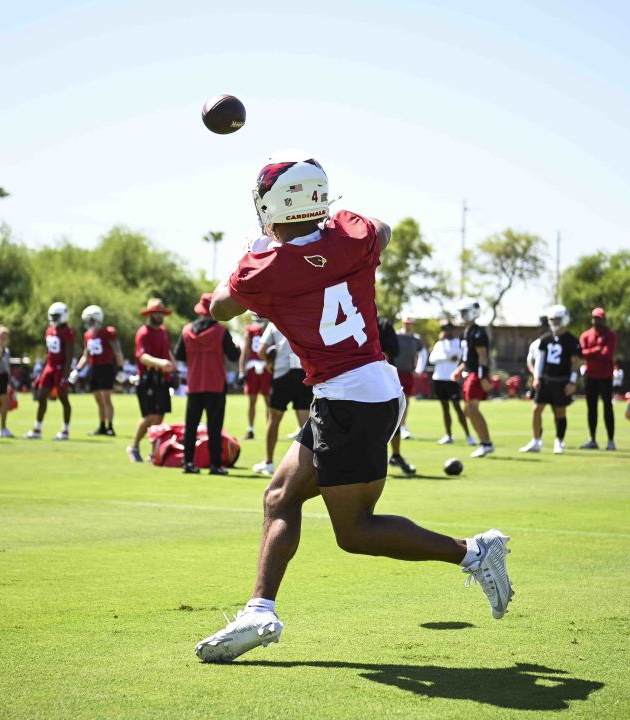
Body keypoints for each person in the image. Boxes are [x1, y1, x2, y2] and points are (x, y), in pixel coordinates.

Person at [195, 152, 512, 662]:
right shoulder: (351, 233)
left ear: (271, 207)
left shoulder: (263, 269)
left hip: (350, 400)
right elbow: (380, 229)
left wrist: (250, 254)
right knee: (280, 495)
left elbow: (218, 308)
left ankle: (473, 552)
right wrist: (323, 235)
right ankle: (260, 609)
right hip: (364, 390)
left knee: (356, 531)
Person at [174, 293, 241, 474]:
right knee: (214, 427)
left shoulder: (187, 331)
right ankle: (215, 464)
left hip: (194, 384)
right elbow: (233, 356)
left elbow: (179, 354)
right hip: (215, 384)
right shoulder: (221, 331)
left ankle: (188, 462)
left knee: (191, 426)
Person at [251, 319, 313, 475]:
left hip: (282, 374)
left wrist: (269, 363)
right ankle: (311, 466)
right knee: (305, 422)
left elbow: (261, 350)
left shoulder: (275, 322)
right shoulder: (309, 321)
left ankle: (269, 462)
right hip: (304, 374)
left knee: (274, 420)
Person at [522, 305, 582, 454]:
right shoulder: (545, 339)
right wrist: (536, 377)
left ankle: (559, 441)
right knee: (536, 409)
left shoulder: (572, 340)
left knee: (560, 412)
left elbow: (575, 363)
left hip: (561, 380)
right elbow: (540, 360)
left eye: (558, 319)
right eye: (552, 320)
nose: (555, 322)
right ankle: (536, 441)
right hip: (545, 380)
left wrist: (572, 382)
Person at [127, 298, 175, 462]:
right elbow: (142, 356)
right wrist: (160, 363)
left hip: (162, 379)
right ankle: (133, 446)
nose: (160, 315)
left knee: (160, 416)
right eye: (157, 312)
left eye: (161, 312)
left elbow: (167, 352)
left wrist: (173, 365)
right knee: (150, 416)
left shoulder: (162, 331)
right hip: (147, 378)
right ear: (150, 314)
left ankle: (154, 453)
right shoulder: (144, 332)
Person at [70, 305, 124, 436]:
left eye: (91, 320)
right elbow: (85, 355)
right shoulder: (88, 335)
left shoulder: (108, 333)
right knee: (98, 400)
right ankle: (102, 426)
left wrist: (121, 369)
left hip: (106, 367)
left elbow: (117, 352)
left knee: (106, 399)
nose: (89, 323)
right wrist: (77, 370)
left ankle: (110, 427)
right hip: (93, 368)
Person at [24, 302, 75, 440]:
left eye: (56, 316)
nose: (54, 319)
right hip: (50, 367)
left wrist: (66, 375)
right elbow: (49, 353)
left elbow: (69, 356)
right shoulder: (49, 330)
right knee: (41, 396)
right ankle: (37, 429)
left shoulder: (67, 332)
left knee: (63, 398)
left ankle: (65, 431)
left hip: (60, 368)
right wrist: (42, 371)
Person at [376, 315, 417, 476]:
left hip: (380, 377)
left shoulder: (383, 324)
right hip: (352, 380)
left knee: (391, 418)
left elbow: (392, 351)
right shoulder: (348, 319)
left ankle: (396, 455)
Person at [455, 298, 495, 457]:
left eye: (465, 312)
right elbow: (467, 358)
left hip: (475, 374)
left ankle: (486, 443)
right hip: (469, 373)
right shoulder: (466, 332)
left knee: (472, 409)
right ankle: (484, 442)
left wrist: (482, 376)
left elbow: (482, 356)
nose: (462, 315)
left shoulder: (478, 332)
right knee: (469, 410)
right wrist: (459, 369)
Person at [428, 321, 474, 445]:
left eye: (447, 329)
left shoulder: (458, 343)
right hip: (439, 378)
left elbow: (459, 357)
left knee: (457, 407)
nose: (445, 331)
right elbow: (432, 359)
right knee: (445, 408)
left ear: (452, 330)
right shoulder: (439, 344)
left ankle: (468, 436)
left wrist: (449, 357)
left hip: (452, 379)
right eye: (443, 329)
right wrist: (446, 357)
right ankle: (448, 435)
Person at [578, 307, 617, 451]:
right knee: (591, 408)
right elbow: (582, 354)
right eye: (595, 318)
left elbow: (607, 354)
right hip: (591, 376)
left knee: (608, 408)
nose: (597, 321)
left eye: (599, 318)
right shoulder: (586, 335)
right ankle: (592, 439)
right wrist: (596, 349)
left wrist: (592, 353)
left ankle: (611, 440)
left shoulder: (610, 335)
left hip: (606, 376)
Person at [393, 316, 427, 440]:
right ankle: (394, 426)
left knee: (405, 401)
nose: (408, 325)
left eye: (410, 323)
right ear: (403, 323)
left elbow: (422, 353)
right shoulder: (396, 335)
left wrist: (419, 369)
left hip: (408, 373)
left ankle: (403, 426)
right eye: (406, 323)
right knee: (394, 400)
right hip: (395, 373)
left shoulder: (415, 339)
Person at [239, 315, 271, 440]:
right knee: (252, 401)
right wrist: (241, 370)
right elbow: (245, 350)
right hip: (253, 368)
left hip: (267, 368)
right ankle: (250, 429)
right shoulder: (251, 331)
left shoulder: (273, 328)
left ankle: (269, 429)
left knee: (269, 402)